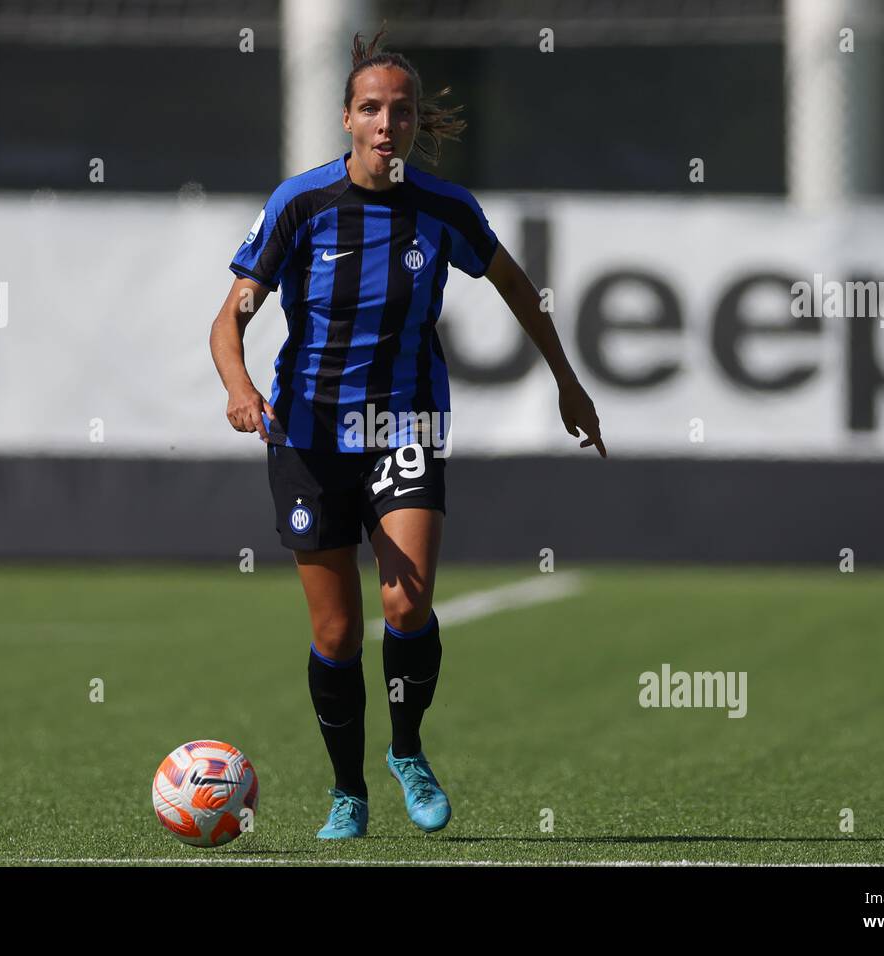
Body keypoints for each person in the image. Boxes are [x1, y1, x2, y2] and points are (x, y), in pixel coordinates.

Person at [209, 27, 604, 839]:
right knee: (336, 630)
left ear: (419, 122)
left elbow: (521, 292)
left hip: (405, 423)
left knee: (407, 600)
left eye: (401, 110)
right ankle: (347, 790)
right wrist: (241, 387)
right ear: (346, 118)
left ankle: (408, 749)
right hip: (309, 435)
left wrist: (568, 382)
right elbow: (230, 318)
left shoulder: (444, 209)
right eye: (370, 108)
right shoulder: (300, 205)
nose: (386, 124)